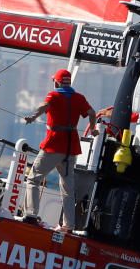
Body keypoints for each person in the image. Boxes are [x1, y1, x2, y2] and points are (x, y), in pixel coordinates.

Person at [23, 68, 97, 231]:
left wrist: (32, 117)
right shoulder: (79, 98)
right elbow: (92, 113)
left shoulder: (54, 95)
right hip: (70, 148)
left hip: (53, 145)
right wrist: (92, 129)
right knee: (67, 188)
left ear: (56, 82)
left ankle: (31, 215)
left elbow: (44, 106)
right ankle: (68, 226)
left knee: (33, 178)